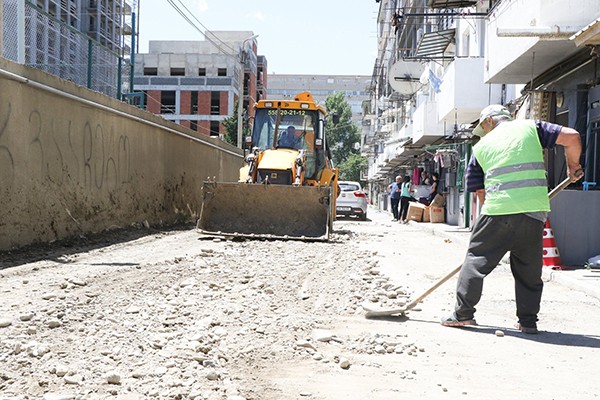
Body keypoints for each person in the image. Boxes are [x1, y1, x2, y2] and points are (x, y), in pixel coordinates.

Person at [441, 104, 582, 334]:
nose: (483, 132)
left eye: (483, 127)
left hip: (497, 212)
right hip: (534, 213)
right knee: (528, 271)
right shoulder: (531, 128)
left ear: (489, 122)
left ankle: (462, 314)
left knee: (475, 260)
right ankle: (528, 323)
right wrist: (572, 166)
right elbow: (572, 137)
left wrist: (488, 226)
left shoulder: (480, 148)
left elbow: (479, 192)